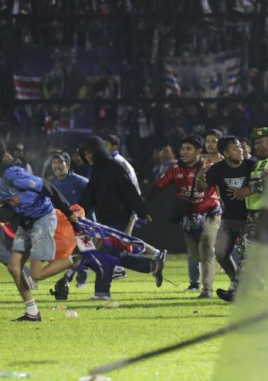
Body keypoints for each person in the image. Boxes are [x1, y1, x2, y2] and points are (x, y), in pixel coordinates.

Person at [77, 136, 165, 300]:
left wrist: (141, 210)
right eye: (85, 154)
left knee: (105, 255)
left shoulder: (114, 167)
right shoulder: (96, 171)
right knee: (117, 255)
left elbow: (129, 190)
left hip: (120, 219)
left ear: (98, 151)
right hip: (106, 221)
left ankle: (102, 293)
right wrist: (78, 211)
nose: (87, 157)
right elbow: (89, 196)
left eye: (89, 153)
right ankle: (153, 265)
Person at [1, 141, 80, 321]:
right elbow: (7, 210)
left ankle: (78, 259)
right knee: (14, 267)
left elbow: (46, 186)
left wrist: (68, 212)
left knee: (36, 274)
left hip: (42, 219)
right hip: (26, 221)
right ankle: (33, 313)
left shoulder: (11, 173)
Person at [218, 127, 268, 302]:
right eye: (254, 142)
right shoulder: (260, 162)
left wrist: (252, 188)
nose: (255, 146)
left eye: (259, 142)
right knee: (249, 253)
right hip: (255, 214)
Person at [153, 134, 221, 298]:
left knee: (206, 250)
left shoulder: (210, 167)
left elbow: (220, 187)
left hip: (211, 213)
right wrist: (142, 203)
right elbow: (158, 186)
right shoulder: (175, 169)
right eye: (182, 148)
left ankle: (207, 290)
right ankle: (220, 260)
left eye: (188, 149)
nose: (184, 152)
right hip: (189, 218)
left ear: (198, 151)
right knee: (197, 256)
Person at [195, 136, 254, 295]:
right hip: (229, 218)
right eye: (235, 148)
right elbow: (202, 188)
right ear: (226, 153)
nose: (240, 150)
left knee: (248, 256)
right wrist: (200, 176)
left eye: (240, 147)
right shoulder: (217, 169)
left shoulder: (252, 166)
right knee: (220, 253)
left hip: (251, 218)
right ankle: (238, 284)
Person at [50, 151, 91, 289]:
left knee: (84, 250)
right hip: (63, 227)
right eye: (54, 162)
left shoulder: (80, 181)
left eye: (59, 162)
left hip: (81, 225)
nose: (56, 166)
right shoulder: (51, 183)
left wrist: (87, 220)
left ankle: (82, 280)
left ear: (67, 164)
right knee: (70, 254)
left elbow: (93, 200)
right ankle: (70, 276)